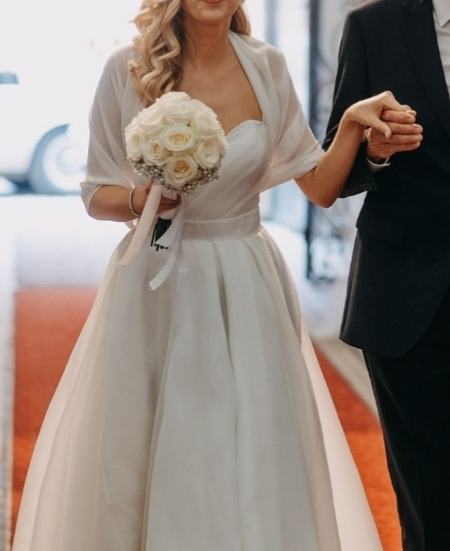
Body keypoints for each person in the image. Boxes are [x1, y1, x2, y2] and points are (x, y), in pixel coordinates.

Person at [11, 1, 414, 550]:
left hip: (246, 278)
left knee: (253, 432)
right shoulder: (127, 69)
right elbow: (95, 193)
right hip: (155, 275)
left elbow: (320, 187)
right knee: (148, 433)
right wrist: (143, 199)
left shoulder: (266, 65)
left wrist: (348, 125)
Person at [324, 0, 449, 549]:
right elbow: (337, 167)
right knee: (427, 492)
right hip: (407, 291)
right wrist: (374, 151)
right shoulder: (373, 26)